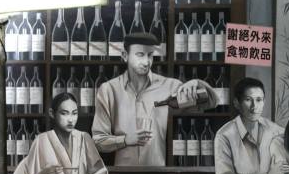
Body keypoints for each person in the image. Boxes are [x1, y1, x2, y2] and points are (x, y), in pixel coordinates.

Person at [92, 33, 217, 166]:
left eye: (150, 55)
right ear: (125, 55)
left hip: (159, 173)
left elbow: (212, 102)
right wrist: (125, 140)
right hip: (123, 173)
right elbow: (98, 141)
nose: (146, 62)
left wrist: (197, 84)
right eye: (140, 55)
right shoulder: (108, 90)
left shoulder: (170, 86)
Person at [9, 92, 108, 174]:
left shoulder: (84, 138)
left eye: (74, 113)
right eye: (64, 113)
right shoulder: (41, 141)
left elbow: (100, 173)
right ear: (52, 113)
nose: (70, 120)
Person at [214, 78, 289, 174]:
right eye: (248, 100)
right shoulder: (224, 135)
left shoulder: (277, 132)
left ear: (264, 102)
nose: (254, 106)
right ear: (237, 103)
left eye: (259, 100)